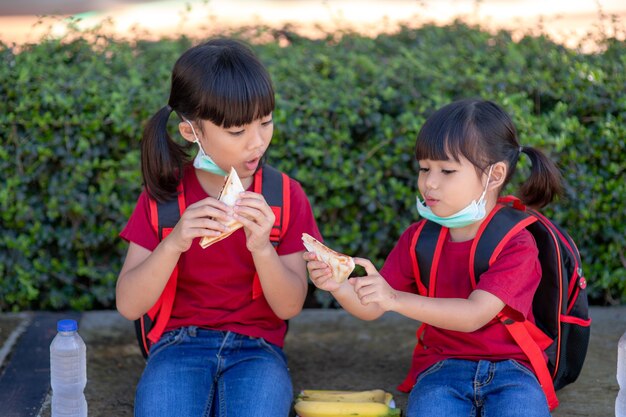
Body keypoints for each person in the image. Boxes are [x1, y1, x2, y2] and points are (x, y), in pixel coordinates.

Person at [305, 99, 562, 417]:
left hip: (513, 372)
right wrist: (338, 286)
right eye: (424, 168)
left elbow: (473, 315)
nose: (430, 182)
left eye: (447, 170)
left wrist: (395, 299)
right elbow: (371, 305)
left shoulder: (517, 243)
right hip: (441, 369)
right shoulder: (419, 239)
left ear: (494, 175)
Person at [117, 38, 322, 417]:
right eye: (236, 132)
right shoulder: (164, 198)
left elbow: (290, 304)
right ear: (191, 132)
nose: (257, 143)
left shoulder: (284, 196)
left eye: (265, 123)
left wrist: (262, 247)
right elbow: (129, 304)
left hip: (258, 348)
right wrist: (175, 241)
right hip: (177, 344)